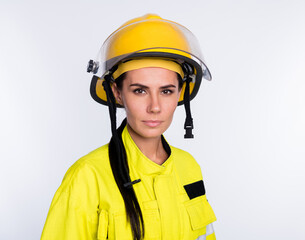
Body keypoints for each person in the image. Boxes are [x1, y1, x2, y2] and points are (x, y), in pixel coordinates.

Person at [41, 14, 216, 240]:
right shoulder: (87, 177)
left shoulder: (189, 167)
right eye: (140, 90)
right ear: (117, 93)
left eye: (166, 91)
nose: (155, 107)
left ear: (180, 93)